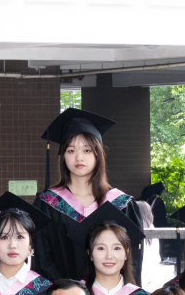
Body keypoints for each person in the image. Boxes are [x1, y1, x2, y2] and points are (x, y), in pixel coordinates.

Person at [32, 109, 144, 284]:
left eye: (86, 150)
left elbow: (133, 258)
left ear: (98, 154)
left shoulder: (122, 204)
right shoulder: (47, 203)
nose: (79, 157)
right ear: (63, 156)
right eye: (71, 150)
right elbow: (42, 259)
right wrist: (65, 292)